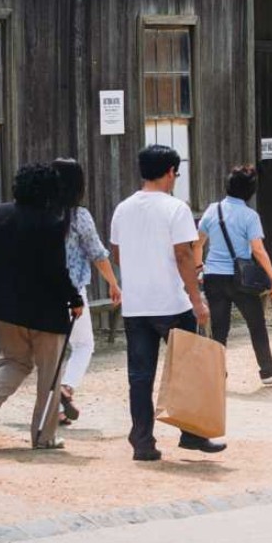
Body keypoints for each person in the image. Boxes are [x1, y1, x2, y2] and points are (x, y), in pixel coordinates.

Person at [111, 144, 223, 461]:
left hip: (136, 305)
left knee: (140, 377)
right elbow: (184, 255)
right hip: (172, 303)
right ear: (171, 172)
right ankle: (192, 433)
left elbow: (117, 253)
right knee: (187, 371)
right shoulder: (176, 208)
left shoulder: (123, 208)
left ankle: (142, 441)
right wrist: (197, 300)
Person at [0, 164, 85, 449]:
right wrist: (74, 298)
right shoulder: (52, 223)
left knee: (13, 361)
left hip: (6, 306)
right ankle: (43, 437)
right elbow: (56, 271)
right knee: (49, 374)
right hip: (46, 312)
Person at [198, 165, 272, 386]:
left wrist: (199, 268)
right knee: (256, 324)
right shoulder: (250, 216)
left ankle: (216, 375)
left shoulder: (212, 210)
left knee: (219, 328)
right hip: (241, 279)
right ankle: (267, 371)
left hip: (213, 277)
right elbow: (258, 250)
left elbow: (197, 243)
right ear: (251, 191)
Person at [53, 158, 121, 424]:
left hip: (41, 290)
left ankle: (55, 408)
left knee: (52, 352)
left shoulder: (40, 213)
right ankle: (66, 387)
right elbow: (97, 254)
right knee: (83, 345)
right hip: (72, 292)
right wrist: (113, 283)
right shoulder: (78, 216)